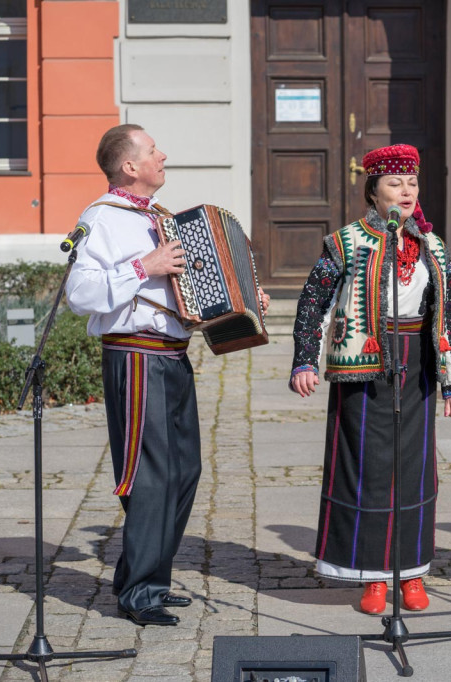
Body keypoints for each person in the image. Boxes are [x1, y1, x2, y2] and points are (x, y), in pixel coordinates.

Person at [66, 124, 270, 626]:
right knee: (151, 475)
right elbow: (80, 292)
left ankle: (150, 578)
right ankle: (138, 593)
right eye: (153, 151)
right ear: (130, 166)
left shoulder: (160, 216)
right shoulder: (101, 217)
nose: (164, 156)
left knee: (184, 472)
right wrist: (145, 265)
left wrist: (243, 299)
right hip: (135, 356)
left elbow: (192, 287)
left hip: (173, 354)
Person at [289, 143, 451, 615]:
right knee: (367, 468)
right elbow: (314, 301)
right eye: (395, 183)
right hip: (363, 362)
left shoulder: (432, 244)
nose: (407, 191)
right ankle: (373, 577)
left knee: (413, 469)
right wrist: (304, 360)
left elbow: (449, 316)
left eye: (412, 182)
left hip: (416, 363)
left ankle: (410, 572)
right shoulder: (346, 242)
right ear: (373, 192)